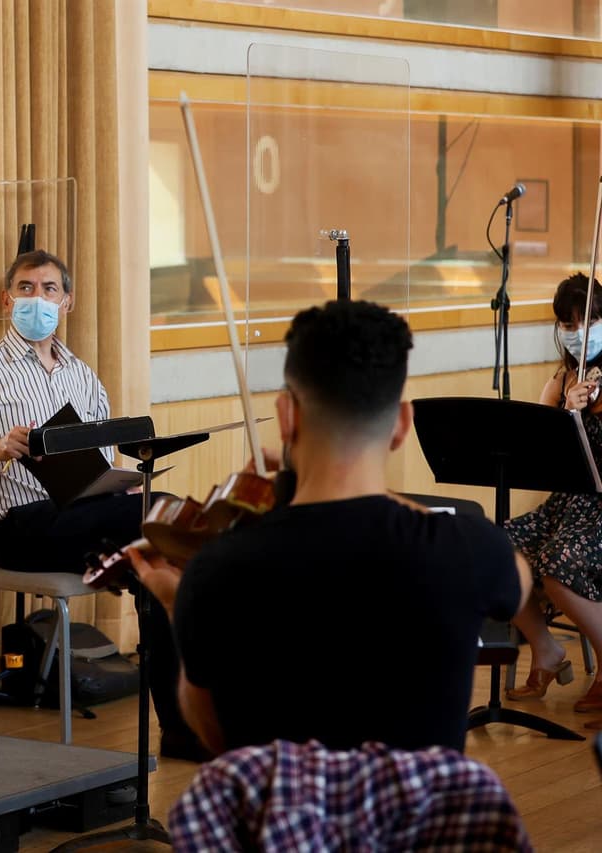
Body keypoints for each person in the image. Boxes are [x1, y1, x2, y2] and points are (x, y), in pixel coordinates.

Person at [129, 299, 531, 756]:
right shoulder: (469, 549)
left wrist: (175, 604)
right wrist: (382, 493)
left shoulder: (217, 568)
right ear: (401, 425)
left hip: (281, 804)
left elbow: (216, 736)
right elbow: (519, 584)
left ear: (286, 416)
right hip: (418, 806)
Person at [0, 248, 205, 760]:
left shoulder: (83, 376)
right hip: (22, 528)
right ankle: (188, 725)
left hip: (85, 515)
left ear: (67, 302)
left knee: (162, 555)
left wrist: (123, 487)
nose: (38, 299)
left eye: (49, 289)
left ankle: (182, 727)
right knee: (165, 515)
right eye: (26, 288)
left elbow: (104, 466)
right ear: (7, 300)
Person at [505, 272, 602, 720]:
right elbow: (536, 458)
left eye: (590, 320)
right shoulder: (561, 381)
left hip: (600, 509)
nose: (578, 331)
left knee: (558, 561)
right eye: (568, 324)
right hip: (564, 505)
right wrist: (566, 414)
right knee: (496, 547)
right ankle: (545, 649)